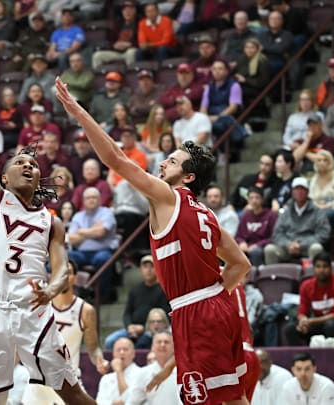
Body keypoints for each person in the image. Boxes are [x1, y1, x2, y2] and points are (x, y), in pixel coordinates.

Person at [56, 77, 251, 404]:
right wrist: (214, 296)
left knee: (205, 399)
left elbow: (116, 159)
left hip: (197, 311)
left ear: (187, 177)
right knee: (232, 397)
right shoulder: (207, 214)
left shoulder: (168, 196)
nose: (162, 163)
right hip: (218, 306)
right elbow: (241, 264)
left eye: (172, 161)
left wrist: (77, 111)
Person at [0, 59, 95, 405]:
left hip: (31, 309)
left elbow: (62, 270)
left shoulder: (50, 221)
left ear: (39, 179)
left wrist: (51, 290)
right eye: (19, 162)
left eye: (33, 164)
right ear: (4, 177)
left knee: (71, 392)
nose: (28, 164)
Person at [22, 260, 108, 404]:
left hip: (68, 380)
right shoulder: (40, 305)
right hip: (40, 380)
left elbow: (93, 349)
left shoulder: (86, 311)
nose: (62, 277)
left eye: (67, 273)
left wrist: (99, 359)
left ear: (75, 277)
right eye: (58, 273)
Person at [104, 255, 171, 350]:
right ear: (141, 269)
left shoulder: (163, 290)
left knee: (142, 343)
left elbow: (166, 316)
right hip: (132, 329)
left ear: (157, 268)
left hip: (153, 328)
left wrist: (144, 327)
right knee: (110, 341)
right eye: (145, 266)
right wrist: (129, 327)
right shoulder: (135, 289)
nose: (148, 270)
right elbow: (127, 313)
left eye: (151, 266)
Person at [284, 252, 334, 346]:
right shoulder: (306, 286)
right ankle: (300, 357)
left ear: (331, 268)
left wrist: (311, 321)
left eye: (325, 266)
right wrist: (303, 321)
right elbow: (302, 310)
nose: (321, 270)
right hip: (314, 323)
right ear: (313, 269)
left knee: (330, 325)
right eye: (318, 267)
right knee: (290, 328)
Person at [95, 337, 143, 403]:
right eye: (118, 350)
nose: (121, 352)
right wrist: (113, 403)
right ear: (113, 354)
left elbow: (131, 400)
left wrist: (119, 371)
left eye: (125, 349)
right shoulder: (106, 378)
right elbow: (99, 402)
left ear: (133, 354)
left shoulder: (142, 374)